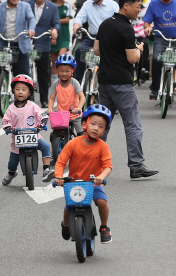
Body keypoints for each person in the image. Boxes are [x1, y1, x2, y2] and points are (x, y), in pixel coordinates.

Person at [94, 0, 158, 179]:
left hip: (104, 81)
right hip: (122, 82)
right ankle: (136, 165)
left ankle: (94, 162)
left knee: (101, 124)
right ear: (126, 5)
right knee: (132, 124)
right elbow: (132, 59)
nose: (139, 11)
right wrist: (138, 49)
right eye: (138, 6)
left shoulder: (105, 24)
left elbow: (97, 50)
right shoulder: (126, 28)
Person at [54, 104, 113, 244]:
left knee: (102, 203)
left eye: (101, 126)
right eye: (93, 124)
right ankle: (66, 224)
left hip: (93, 183)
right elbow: (61, 161)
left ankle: (104, 227)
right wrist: (58, 176)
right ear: (84, 124)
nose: (96, 128)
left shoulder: (103, 147)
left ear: (104, 130)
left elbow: (108, 166)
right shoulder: (74, 143)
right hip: (74, 183)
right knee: (69, 205)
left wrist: (101, 177)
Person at [2, 74, 53, 184]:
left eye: (24, 89)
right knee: (12, 163)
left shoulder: (32, 106)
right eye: (17, 89)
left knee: (45, 146)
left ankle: (46, 169)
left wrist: (42, 124)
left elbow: (43, 115)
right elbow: (6, 121)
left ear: (30, 92)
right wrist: (8, 128)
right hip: (18, 140)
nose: (20, 92)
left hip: (34, 136)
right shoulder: (11, 109)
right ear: (13, 91)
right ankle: (11, 173)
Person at [73, 0, 119, 81]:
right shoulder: (87, 4)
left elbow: (119, 21)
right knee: (79, 51)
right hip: (92, 37)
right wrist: (76, 24)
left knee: (109, 60)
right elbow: (80, 17)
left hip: (107, 38)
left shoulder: (113, 5)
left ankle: (108, 82)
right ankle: (79, 81)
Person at [26, 0, 60, 106]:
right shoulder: (26, 4)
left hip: (43, 42)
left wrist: (55, 30)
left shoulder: (52, 7)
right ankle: (27, 98)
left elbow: (56, 22)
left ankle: (44, 99)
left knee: (43, 73)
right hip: (27, 41)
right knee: (25, 70)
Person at [48, 54, 85, 135]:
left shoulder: (74, 82)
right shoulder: (55, 84)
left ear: (72, 71)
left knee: (82, 134)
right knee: (55, 133)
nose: (64, 73)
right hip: (61, 115)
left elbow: (82, 97)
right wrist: (50, 109)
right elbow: (51, 99)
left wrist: (78, 108)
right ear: (57, 70)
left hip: (75, 115)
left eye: (67, 71)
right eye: (61, 71)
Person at [50, 0, 73, 81]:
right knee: (54, 61)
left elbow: (67, 20)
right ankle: (54, 84)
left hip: (64, 36)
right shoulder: (51, 5)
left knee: (60, 59)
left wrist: (55, 21)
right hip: (53, 35)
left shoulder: (67, 5)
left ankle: (63, 81)